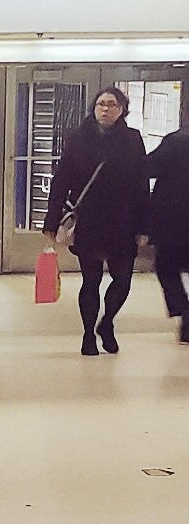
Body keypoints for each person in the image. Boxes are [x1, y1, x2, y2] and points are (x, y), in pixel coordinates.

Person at [41, 87, 149, 356]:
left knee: (122, 279)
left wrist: (145, 225)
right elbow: (62, 179)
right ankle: (88, 334)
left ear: (122, 109)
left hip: (123, 220)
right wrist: (52, 219)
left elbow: (141, 184)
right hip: (89, 220)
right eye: (101, 104)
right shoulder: (79, 138)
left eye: (112, 104)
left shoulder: (132, 140)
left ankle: (107, 322)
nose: (105, 109)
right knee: (91, 280)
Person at [147, 123, 189, 342]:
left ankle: (183, 309)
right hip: (175, 221)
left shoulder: (177, 141)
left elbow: (150, 167)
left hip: (173, 222)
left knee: (166, 267)